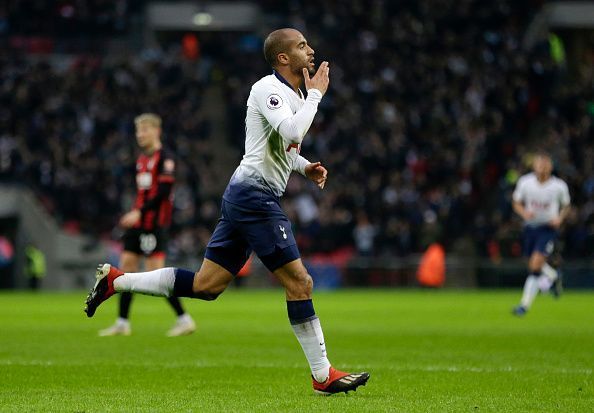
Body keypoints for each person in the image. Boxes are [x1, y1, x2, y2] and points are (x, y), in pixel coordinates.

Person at [85, 28, 369, 394]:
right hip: (254, 197)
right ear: (283, 58)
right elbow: (293, 128)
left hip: (246, 195)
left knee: (207, 285)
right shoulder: (268, 89)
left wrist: (303, 167)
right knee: (300, 283)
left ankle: (116, 281)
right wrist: (317, 94)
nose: (310, 50)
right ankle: (322, 374)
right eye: (302, 45)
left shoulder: (295, 95)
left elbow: (282, 147)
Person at [98, 113, 196, 336]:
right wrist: (135, 214)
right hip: (138, 224)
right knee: (126, 270)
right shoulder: (141, 160)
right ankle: (122, 322)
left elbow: (163, 193)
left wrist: (138, 212)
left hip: (154, 224)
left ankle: (184, 319)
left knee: (156, 274)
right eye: (138, 131)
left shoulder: (166, 159)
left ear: (156, 131)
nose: (140, 135)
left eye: (144, 130)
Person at [511, 152, 571, 316]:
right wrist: (524, 213)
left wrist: (559, 218)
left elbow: (566, 206)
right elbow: (516, 202)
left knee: (535, 265)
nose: (542, 167)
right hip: (530, 228)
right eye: (539, 164)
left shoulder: (559, 186)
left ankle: (524, 306)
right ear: (534, 166)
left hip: (547, 229)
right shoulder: (525, 182)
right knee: (532, 263)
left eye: (545, 164)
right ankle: (553, 275)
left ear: (550, 166)